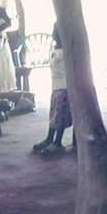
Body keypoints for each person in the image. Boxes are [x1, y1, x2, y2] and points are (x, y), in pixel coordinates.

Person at [33, 24, 73, 156]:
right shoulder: (55, 48)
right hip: (56, 86)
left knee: (60, 115)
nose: (55, 34)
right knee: (54, 114)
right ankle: (49, 138)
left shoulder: (68, 49)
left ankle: (57, 142)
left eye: (58, 31)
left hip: (65, 86)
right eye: (55, 31)